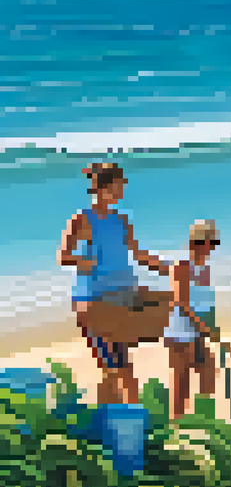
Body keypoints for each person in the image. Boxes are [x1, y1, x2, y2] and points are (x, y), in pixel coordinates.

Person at [57, 163, 174, 406]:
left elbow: (140, 256)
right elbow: (63, 256)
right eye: (116, 187)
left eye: (122, 188)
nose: (120, 193)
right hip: (94, 300)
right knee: (116, 365)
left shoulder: (121, 220)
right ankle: (126, 420)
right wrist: (82, 260)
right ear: (101, 189)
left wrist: (172, 270)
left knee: (117, 364)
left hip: (124, 297)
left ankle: (119, 420)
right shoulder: (82, 219)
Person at [164, 220, 231, 420]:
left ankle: (202, 421)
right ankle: (177, 428)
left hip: (198, 331)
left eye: (214, 243)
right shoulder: (181, 267)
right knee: (181, 384)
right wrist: (205, 329)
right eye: (208, 242)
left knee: (208, 372)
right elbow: (181, 303)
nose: (211, 248)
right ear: (196, 242)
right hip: (180, 332)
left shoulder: (205, 270)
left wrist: (213, 330)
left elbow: (207, 306)